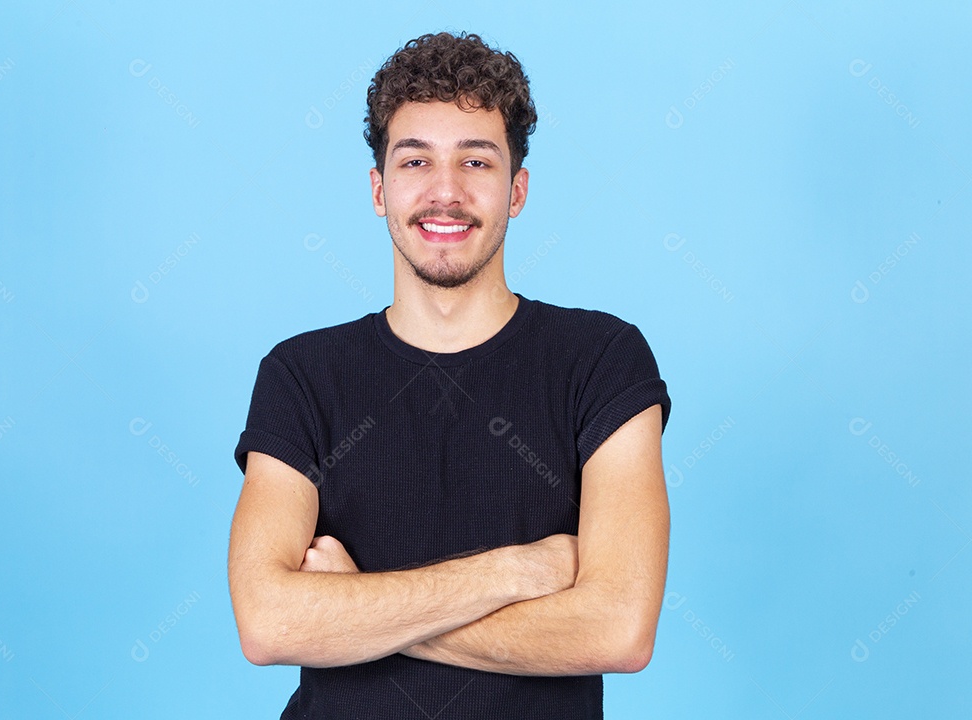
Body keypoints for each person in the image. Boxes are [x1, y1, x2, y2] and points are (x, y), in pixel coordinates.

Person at [228, 30, 672, 720]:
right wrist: (519, 571)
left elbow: (617, 630)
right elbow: (268, 623)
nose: (445, 192)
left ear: (517, 190)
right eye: (414, 161)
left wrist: (356, 611)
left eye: (476, 162)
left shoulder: (602, 360)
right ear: (379, 189)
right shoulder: (302, 374)